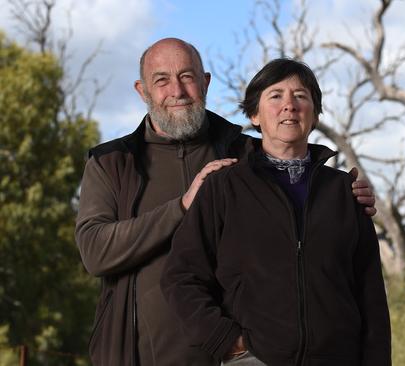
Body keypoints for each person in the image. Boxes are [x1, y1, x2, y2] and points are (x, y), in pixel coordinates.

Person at [75, 38, 377, 366]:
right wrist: (181, 207)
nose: (176, 90)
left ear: (205, 83)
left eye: (188, 76)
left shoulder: (245, 151)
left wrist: (343, 197)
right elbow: (94, 251)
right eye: (161, 80)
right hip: (141, 355)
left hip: (239, 356)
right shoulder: (113, 162)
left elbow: (297, 173)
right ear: (142, 90)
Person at [161, 58, 391, 366]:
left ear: (315, 114)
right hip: (253, 359)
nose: (289, 105)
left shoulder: (345, 193)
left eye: (300, 96)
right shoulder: (223, 188)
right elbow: (181, 277)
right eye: (276, 96)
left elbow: (371, 296)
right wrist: (228, 342)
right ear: (254, 115)